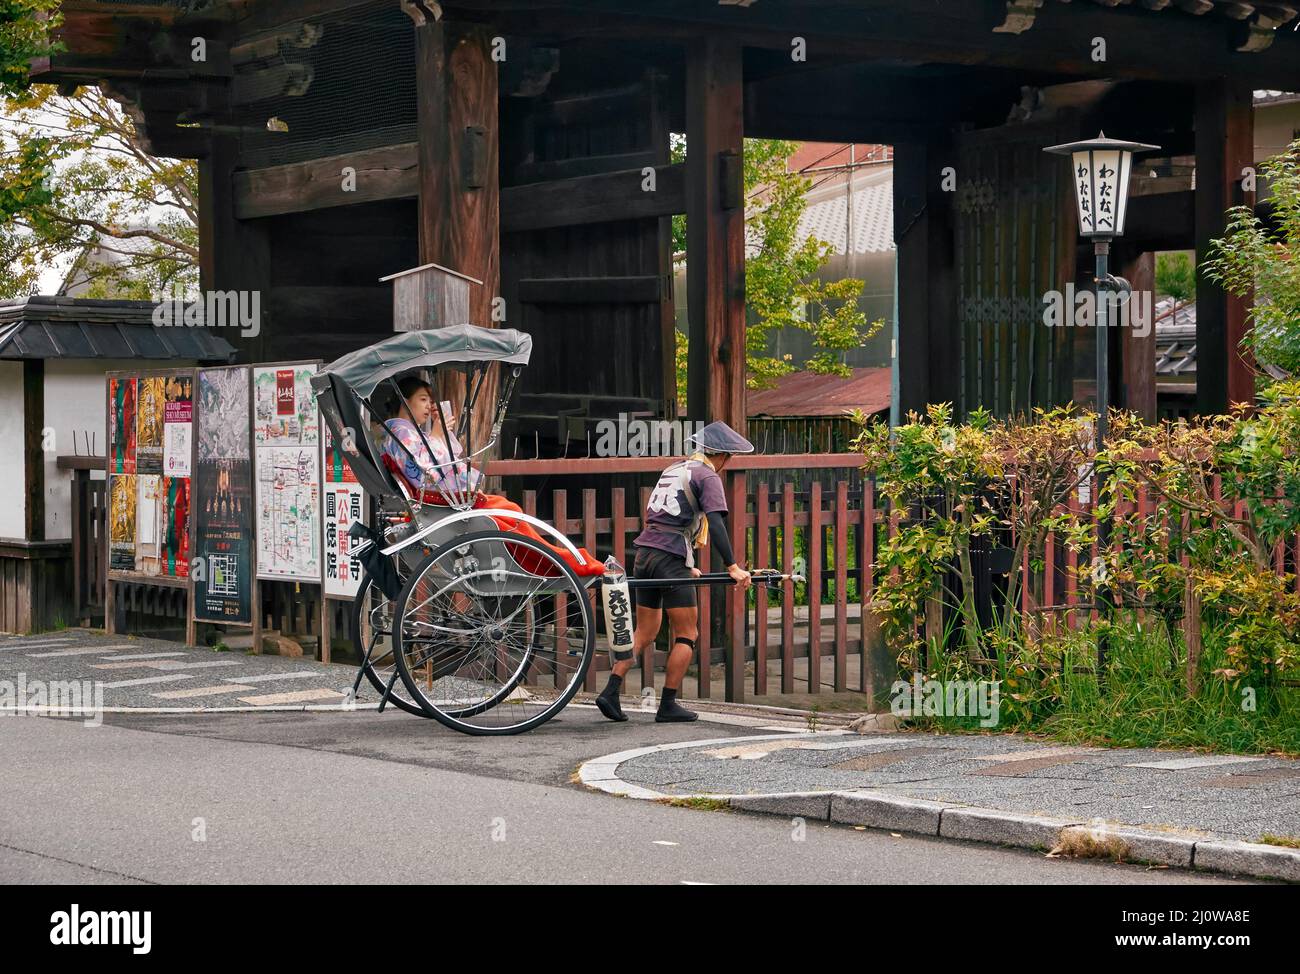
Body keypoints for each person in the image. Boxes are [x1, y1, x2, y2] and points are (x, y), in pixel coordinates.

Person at [595, 421, 754, 723]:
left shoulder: (674, 469)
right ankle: (668, 704)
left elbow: (666, 516)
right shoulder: (707, 475)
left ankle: (611, 691)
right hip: (670, 556)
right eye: (728, 458)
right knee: (687, 633)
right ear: (721, 455)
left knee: (645, 631)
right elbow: (716, 523)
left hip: (645, 553)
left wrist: (687, 566)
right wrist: (732, 566)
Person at [381, 376, 605, 578]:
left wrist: (438, 437)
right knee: (508, 513)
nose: (429, 407)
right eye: (423, 399)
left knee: (510, 510)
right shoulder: (402, 433)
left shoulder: (403, 434)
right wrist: (438, 436)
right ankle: (556, 561)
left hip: (440, 500)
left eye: (430, 401)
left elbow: (431, 465)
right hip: (439, 503)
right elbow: (428, 473)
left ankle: (555, 557)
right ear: (404, 401)